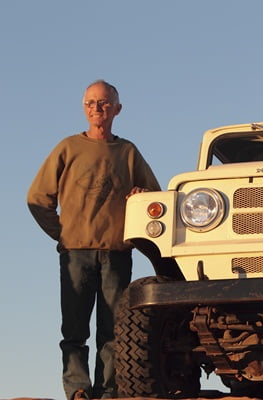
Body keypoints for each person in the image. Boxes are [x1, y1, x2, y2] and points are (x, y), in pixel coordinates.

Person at [27, 80, 161, 400]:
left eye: (103, 103)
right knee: (74, 330)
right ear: (83, 108)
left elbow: (157, 198)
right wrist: (63, 234)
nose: (96, 109)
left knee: (114, 330)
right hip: (76, 254)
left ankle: (108, 391)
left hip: (116, 253)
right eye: (90, 103)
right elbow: (37, 197)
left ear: (117, 109)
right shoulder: (68, 147)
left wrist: (142, 195)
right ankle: (77, 389)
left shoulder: (128, 152)